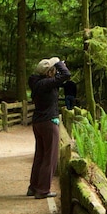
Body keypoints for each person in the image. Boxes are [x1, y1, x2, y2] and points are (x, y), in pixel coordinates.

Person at [27, 56, 70, 199]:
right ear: (49, 72)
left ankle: (33, 187)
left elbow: (60, 78)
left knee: (40, 155)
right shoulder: (46, 83)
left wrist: (56, 66)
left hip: (38, 122)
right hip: (48, 122)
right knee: (50, 157)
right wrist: (59, 63)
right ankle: (43, 190)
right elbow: (66, 75)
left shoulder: (37, 82)